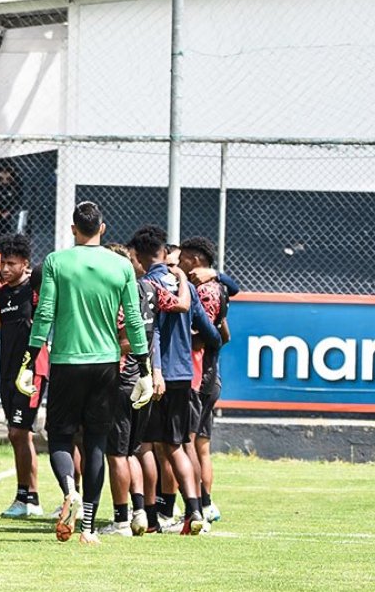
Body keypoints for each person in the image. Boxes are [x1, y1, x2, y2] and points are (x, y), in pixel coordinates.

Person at [17, 202, 152, 545]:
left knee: (60, 438)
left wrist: (29, 360)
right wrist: (145, 368)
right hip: (106, 364)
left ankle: (68, 490)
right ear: (102, 228)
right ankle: (88, 528)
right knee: (96, 443)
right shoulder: (121, 265)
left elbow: (44, 313)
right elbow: (134, 320)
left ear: (73, 229)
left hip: (66, 361)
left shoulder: (56, 262)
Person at [128, 225, 219, 536]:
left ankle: (152, 517)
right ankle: (195, 511)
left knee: (144, 447)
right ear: (163, 253)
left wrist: (154, 369)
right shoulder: (186, 286)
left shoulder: (146, 286)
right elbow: (211, 333)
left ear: (139, 256)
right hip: (183, 375)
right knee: (177, 446)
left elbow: (151, 332)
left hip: (157, 376)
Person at [97, 243, 159, 538]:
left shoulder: (120, 294)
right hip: (143, 378)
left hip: (122, 381)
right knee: (133, 451)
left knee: (117, 454)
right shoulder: (150, 290)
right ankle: (139, 513)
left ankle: (121, 520)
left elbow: (127, 339)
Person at [0, 235, 47, 519]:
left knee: (18, 432)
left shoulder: (35, 290)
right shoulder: (1, 294)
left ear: (25, 263)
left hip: (31, 371)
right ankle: (31, 498)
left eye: (11, 263)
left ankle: (25, 498)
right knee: (20, 435)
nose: (5, 268)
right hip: (8, 371)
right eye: (2, 263)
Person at [178, 236, 232, 525]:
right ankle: (206, 505)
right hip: (210, 377)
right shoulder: (216, 287)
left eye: (184, 257)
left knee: (188, 444)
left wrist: (176, 338)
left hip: (201, 378)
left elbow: (205, 338)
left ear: (197, 259)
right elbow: (225, 334)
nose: (180, 262)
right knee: (200, 446)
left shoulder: (206, 292)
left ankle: (197, 508)